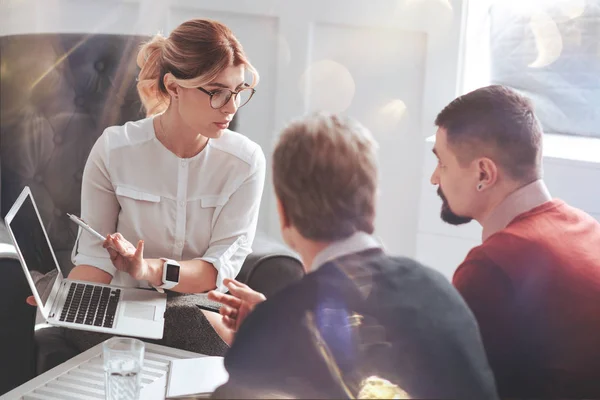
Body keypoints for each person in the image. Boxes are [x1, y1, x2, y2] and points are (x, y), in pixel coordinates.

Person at [207, 113, 498, 399]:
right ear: (372, 201)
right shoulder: (439, 290)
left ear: (283, 214)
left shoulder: (276, 327)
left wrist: (261, 335)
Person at [28, 18, 265, 355]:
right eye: (217, 93)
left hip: (197, 305)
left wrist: (147, 268)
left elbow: (215, 271)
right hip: (122, 307)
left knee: (188, 320)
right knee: (89, 328)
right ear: (173, 86)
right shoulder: (114, 149)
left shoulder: (245, 162)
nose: (231, 108)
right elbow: (97, 261)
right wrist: (60, 302)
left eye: (239, 92)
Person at [430, 85, 600, 398]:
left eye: (442, 163)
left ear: (484, 172)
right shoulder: (589, 229)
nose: (434, 178)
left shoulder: (491, 268)